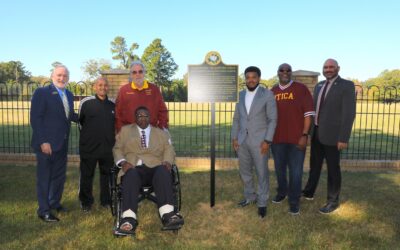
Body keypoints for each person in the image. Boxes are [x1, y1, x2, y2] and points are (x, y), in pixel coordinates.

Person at [113, 106, 184, 234]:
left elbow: (169, 149)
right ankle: (128, 219)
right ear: (135, 118)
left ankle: (168, 215)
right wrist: (122, 162)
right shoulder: (125, 131)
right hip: (133, 166)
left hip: (155, 167)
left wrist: (167, 161)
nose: (143, 118)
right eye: (140, 116)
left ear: (150, 118)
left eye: (146, 116)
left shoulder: (160, 133)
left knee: (163, 171)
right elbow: (117, 149)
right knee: (130, 174)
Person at [302, 58, 356, 214]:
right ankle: (309, 191)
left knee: (333, 169)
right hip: (317, 133)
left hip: (334, 136)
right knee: (315, 165)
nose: (328, 69)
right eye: (325, 67)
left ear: (338, 68)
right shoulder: (319, 86)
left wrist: (343, 138)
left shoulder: (346, 85)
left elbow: (349, 114)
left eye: (331, 67)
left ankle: (333, 201)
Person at [30, 65, 78, 222]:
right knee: (45, 178)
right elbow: (35, 119)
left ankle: (54, 202)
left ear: (68, 78)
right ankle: (43, 210)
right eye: (58, 75)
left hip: (62, 143)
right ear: (52, 76)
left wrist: (91, 115)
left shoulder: (69, 94)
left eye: (64, 76)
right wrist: (43, 141)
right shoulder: (41, 93)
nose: (61, 78)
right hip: (46, 144)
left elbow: (69, 115)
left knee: (59, 176)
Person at [231, 66, 278, 218]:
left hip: (260, 142)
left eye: (254, 77)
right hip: (242, 141)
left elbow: (272, 119)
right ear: (245, 79)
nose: (250, 80)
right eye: (248, 77)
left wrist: (267, 140)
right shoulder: (241, 95)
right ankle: (250, 197)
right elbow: (237, 119)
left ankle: (262, 202)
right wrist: (234, 138)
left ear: (259, 78)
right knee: (245, 172)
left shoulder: (267, 95)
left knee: (261, 172)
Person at [270, 63, 314, 215]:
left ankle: (294, 201)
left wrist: (304, 135)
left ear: (291, 73)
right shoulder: (272, 91)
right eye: (282, 70)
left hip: (296, 140)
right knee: (279, 170)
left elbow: (308, 115)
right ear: (277, 73)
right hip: (277, 139)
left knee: (296, 172)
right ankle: (282, 192)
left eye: (288, 70)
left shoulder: (301, 89)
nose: (285, 72)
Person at [78, 77, 115, 212]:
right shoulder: (86, 103)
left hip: (107, 148)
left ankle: (105, 201)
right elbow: (80, 123)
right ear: (94, 87)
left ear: (108, 87)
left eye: (105, 85)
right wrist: (89, 138)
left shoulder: (112, 104)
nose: (102, 87)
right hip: (89, 147)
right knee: (87, 175)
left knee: (107, 175)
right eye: (100, 85)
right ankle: (86, 202)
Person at [114, 60, 168, 133]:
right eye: (134, 72)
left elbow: (163, 112)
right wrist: (121, 132)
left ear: (144, 73)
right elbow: (118, 113)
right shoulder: (124, 90)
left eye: (140, 71)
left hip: (151, 133)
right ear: (131, 75)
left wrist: (161, 129)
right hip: (130, 134)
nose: (137, 74)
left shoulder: (154, 89)